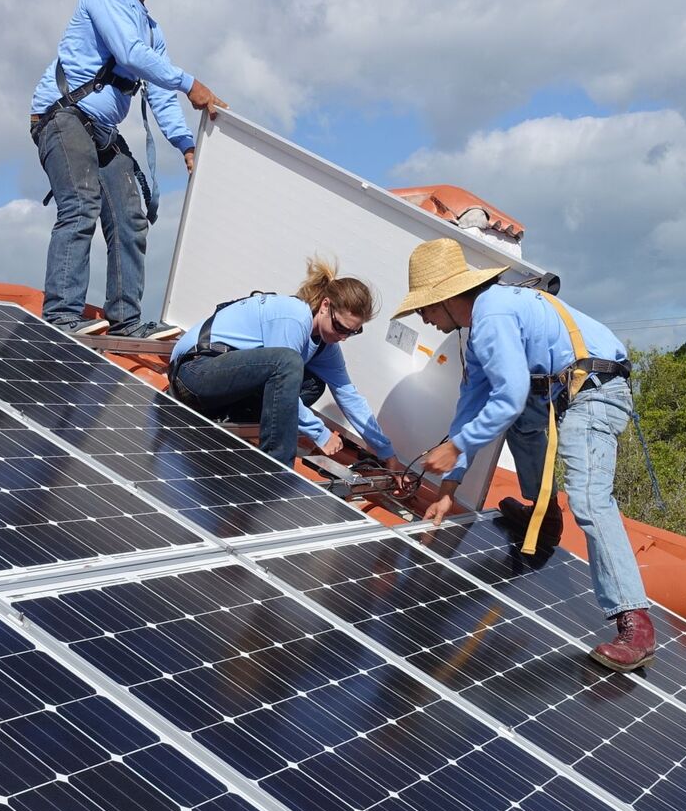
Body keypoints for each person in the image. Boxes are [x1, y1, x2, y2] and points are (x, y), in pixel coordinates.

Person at [393, 237, 657, 672]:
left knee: (589, 498)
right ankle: (544, 514)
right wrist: (448, 488)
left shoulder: (492, 315)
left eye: (424, 306)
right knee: (520, 417)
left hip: (598, 388)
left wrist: (456, 446)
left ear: (445, 297)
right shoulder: (478, 333)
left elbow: (509, 396)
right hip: (558, 387)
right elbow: (473, 406)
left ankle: (635, 620)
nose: (422, 316)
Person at [30, 0, 226, 339]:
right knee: (81, 205)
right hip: (64, 117)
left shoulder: (152, 28)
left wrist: (186, 145)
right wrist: (192, 83)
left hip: (100, 128)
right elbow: (128, 54)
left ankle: (126, 322)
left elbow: (157, 91)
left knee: (131, 218)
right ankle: (62, 317)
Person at [169, 258, 405, 471]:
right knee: (288, 363)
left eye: (353, 332)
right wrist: (320, 434)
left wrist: (386, 452)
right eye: (340, 327)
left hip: (222, 389)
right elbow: (281, 375)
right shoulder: (294, 317)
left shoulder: (325, 344)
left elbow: (348, 395)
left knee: (313, 384)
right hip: (193, 374)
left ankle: (234, 418)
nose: (343, 337)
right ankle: (276, 469)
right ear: (325, 306)